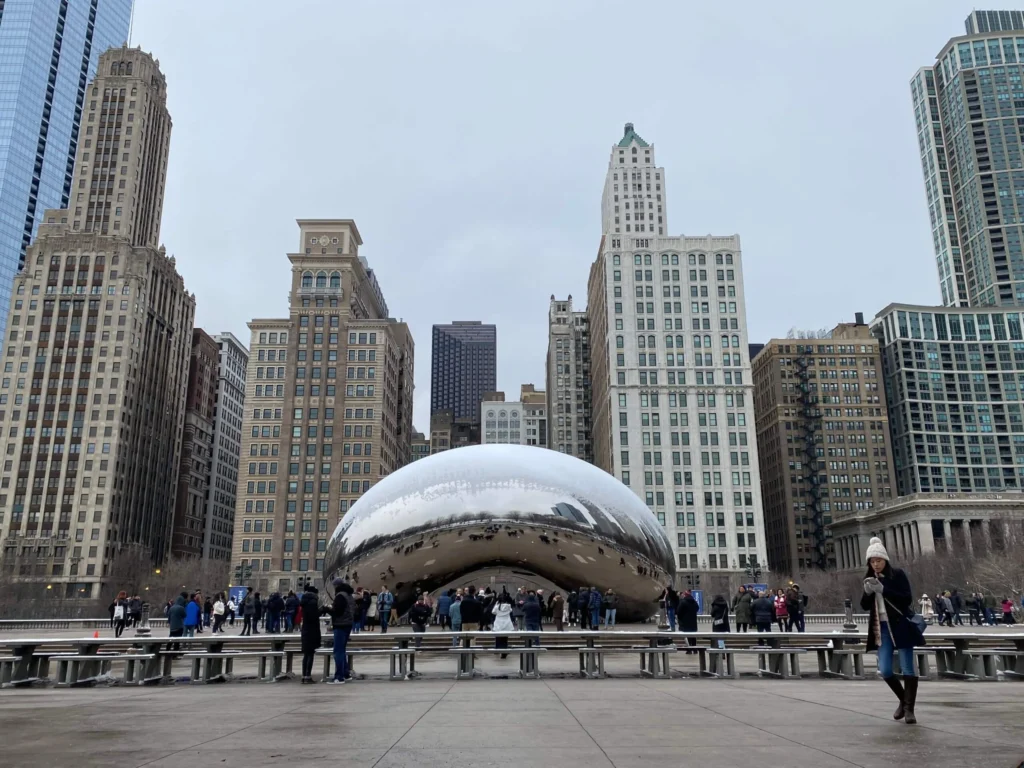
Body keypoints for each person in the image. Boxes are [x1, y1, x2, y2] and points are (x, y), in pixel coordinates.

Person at [860, 536, 924, 725]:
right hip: (882, 628)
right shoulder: (869, 578)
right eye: (872, 562)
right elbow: (864, 606)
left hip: (901, 626)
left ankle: (909, 710)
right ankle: (904, 701)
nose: (875, 565)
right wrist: (868, 592)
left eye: (878, 560)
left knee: (907, 667)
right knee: (886, 670)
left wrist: (883, 589)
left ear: (885, 560)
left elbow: (906, 599)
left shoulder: (897, 574)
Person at [322, 579, 354, 684]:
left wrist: (327, 609)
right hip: (348, 624)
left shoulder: (340, 596)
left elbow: (337, 612)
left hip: (340, 625)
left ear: (336, 586)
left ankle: (339, 677)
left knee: (338, 651)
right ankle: (345, 673)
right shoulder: (349, 595)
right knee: (342, 650)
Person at [298, 585, 321, 683]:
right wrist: (323, 610)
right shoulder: (312, 602)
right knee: (310, 654)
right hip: (312, 629)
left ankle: (304, 676)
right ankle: (307, 676)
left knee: (306, 654)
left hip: (305, 629)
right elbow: (314, 616)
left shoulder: (304, 601)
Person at [491, 593, 514, 659]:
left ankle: (498, 649)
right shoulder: (508, 606)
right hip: (507, 622)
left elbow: (493, 612)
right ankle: (504, 650)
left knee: (498, 637)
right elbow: (510, 611)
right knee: (505, 638)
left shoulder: (497, 606)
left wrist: (496, 604)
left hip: (498, 622)